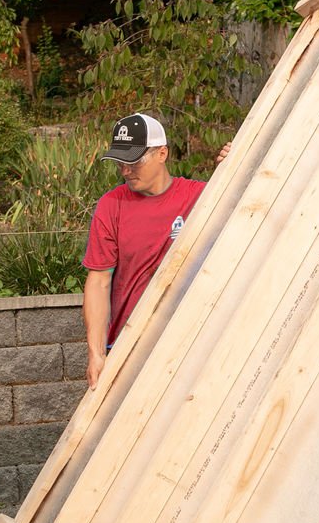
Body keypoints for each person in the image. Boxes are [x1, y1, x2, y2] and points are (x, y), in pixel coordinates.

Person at [82, 112, 226, 389]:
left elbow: (253, 209)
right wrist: (96, 353)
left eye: (135, 160)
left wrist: (232, 167)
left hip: (191, 345)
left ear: (162, 153)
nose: (126, 170)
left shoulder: (201, 197)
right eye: (121, 162)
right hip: (128, 347)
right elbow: (98, 282)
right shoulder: (111, 206)